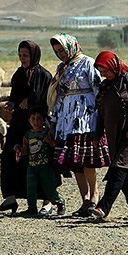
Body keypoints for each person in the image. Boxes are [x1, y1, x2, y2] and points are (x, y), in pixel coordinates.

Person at [49, 33, 109, 217]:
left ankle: (94, 196)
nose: (61, 54)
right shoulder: (62, 68)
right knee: (75, 162)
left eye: (62, 50)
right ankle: (84, 200)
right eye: (57, 51)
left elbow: (98, 89)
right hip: (67, 120)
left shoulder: (88, 63)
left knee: (87, 160)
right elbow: (59, 96)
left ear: (71, 46)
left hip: (86, 118)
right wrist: (54, 120)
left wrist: (101, 117)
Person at [0, 40, 54, 215]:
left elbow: (46, 101)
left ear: (34, 55)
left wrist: (32, 103)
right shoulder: (19, 74)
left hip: (37, 125)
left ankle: (47, 201)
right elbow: (15, 96)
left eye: (25, 55)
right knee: (9, 157)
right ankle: (10, 198)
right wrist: (11, 104)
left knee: (41, 161)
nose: (22, 59)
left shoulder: (44, 75)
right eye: (20, 55)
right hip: (19, 123)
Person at [88, 51, 128, 222]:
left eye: (105, 70)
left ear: (113, 66)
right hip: (113, 136)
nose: (103, 74)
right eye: (101, 72)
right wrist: (97, 134)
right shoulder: (105, 86)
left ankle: (103, 207)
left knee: (118, 168)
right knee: (124, 174)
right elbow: (100, 113)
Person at [19, 108, 64, 216]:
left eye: (39, 119)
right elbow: (26, 150)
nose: (36, 122)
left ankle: (59, 202)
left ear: (44, 121)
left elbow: (54, 145)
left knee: (49, 188)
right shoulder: (28, 135)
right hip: (32, 166)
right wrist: (19, 150)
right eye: (33, 119)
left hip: (45, 166)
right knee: (31, 187)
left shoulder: (46, 133)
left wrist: (50, 141)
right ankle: (32, 208)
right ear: (29, 120)